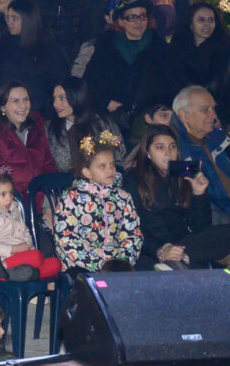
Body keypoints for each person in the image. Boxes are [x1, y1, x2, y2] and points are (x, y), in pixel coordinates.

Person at [125, 124, 230, 270]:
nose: (168, 153)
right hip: (153, 247)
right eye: (160, 148)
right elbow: (134, 229)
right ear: (148, 152)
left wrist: (199, 194)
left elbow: (200, 228)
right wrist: (160, 249)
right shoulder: (135, 177)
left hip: (186, 244)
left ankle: (179, 258)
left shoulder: (183, 170)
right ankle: (175, 260)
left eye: (172, 147)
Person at [83, 0, 180, 130]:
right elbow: (89, 83)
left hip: (149, 121)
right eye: (132, 17)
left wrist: (158, 109)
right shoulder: (106, 46)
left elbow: (173, 84)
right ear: (121, 21)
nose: (138, 22)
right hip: (113, 120)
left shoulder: (160, 47)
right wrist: (106, 103)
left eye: (142, 16)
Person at [55, 130, 141, 271]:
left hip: (116, 266)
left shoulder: (123, 197)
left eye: (112, 165)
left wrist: (122, 262)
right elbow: (65, 237)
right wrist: (98, 264)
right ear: (87, 172)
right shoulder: (71, 198)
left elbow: (133, 234)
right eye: (102, 166)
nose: (110, 170)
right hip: (82, 266)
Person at [0, 79, 58, 198]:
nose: (23, 106)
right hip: (10, 201)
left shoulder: (35, 131)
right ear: (2, 107)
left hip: (41, 197)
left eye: (26, 99)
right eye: (15, 101)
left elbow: (49, 168)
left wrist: (53, 196)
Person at [0, 168, 60, 282]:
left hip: (24, 257)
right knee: (36, 257)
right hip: (5, 258)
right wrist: (14, 249)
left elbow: (25, 231)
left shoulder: (14, 209)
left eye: (11, 193)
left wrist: (28, 245)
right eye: (3, 194)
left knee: (55, 263)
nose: (9, 198)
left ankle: (26, 273)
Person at [173, 85, 230, 220]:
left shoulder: (219, 139)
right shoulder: (175, 150)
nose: (214, 116)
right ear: (184, 115)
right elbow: (195, 195)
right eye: (205, 109)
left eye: (213, 109)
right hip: (213, 218)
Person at [46, 77, 119, 174]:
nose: (55, 104)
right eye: (54, 98)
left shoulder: (102, 123)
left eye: (62, 98)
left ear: (77, 97)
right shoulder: (50, 128)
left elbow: (119, 158)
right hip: (66, 181)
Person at [176, 3, 230, 90]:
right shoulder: (178, 50)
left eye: (211, 20)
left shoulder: (224, 50)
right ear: (190, 24)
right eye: (201, 20)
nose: (207, 24)